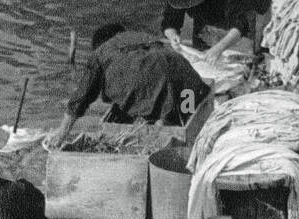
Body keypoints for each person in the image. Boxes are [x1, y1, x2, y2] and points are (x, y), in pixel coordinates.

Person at [49, 23, 209, 147]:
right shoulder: (139, 37)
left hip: (158, 86)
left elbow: (81, 97)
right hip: (189, 82)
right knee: (182, 109)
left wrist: (61, 134)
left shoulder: (100, 52)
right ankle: (169, 121)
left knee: (152, 100)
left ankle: (163, 123)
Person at [161, 0, 273, 63]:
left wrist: (219, 48)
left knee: (252, 53)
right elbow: (170, 21)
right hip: (211, 10)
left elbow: (241, 23)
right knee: (202, 50)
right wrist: (172, 35)